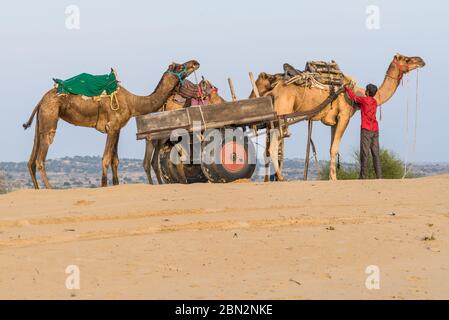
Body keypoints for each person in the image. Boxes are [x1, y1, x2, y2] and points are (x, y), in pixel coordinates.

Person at [345, 83, 382, 179]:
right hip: (375, 129)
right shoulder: (374, 102)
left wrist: (347, 88)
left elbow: (353, 97)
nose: (364, 91)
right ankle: (379, 176)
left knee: (364, 153)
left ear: (368, 92)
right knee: (375, 153)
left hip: (366, 129)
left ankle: (363, 176)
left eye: (366, 90)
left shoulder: (364, 100)